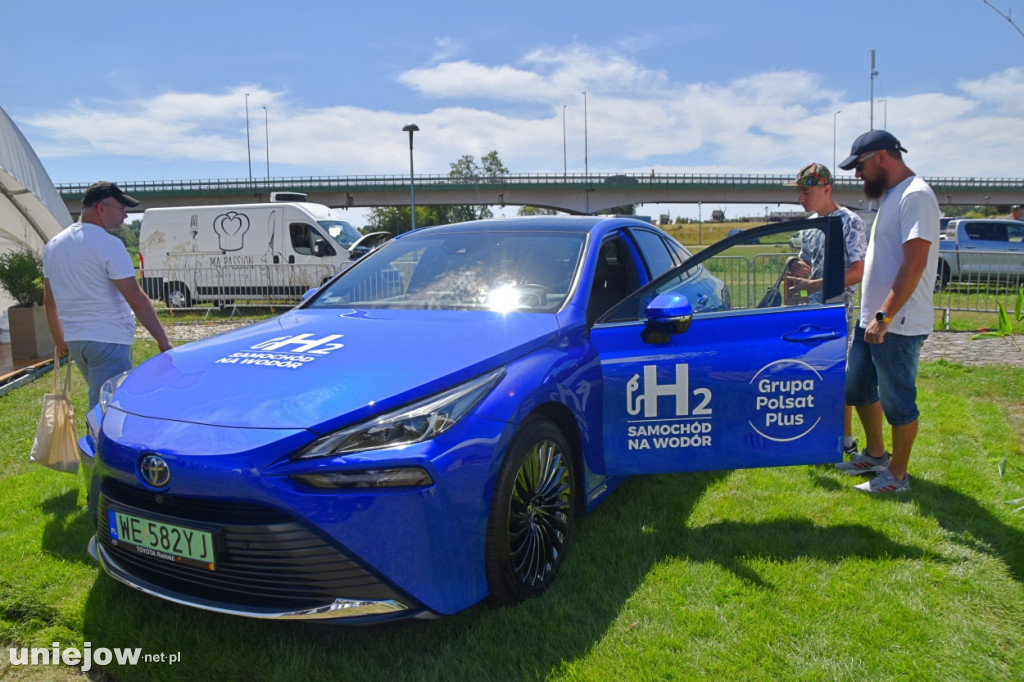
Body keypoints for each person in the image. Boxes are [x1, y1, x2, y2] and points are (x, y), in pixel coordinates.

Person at [834, 131, 940, 494]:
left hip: (896, 323)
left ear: (881, 156)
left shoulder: (916, 195)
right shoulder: (893, 196)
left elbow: (915, 262)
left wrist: (885, 316)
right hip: (874, 321)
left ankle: (897, 476)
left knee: (898, 400)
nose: (856, 175)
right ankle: (876, 454)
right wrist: (873, 317)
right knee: (858, 387)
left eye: (859, 166)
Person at [43, 181, 172, 408]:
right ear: (101, 208)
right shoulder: (108, 244)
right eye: (121, 209)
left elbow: (49, 300)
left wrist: (59, 339)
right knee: (107, 408)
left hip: (76, 340)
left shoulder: (53, 244)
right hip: (108, 339)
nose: (125, 216)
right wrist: (163, 342)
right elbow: (136, 298)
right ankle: (99, 443)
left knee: (101, 402)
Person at [784, 162, 867, 458]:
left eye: (805, 192)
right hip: (811, 312)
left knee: (836, 376)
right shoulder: (810, 225)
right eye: (799, 193)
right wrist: (797, 265)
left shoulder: (849, 222)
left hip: (836, 313)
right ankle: (817, 435)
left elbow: (858, 272)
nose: (800, 199)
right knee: (812, 374)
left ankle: (845, 438)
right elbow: (808, 263)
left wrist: (814, 284)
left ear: (827, 189)